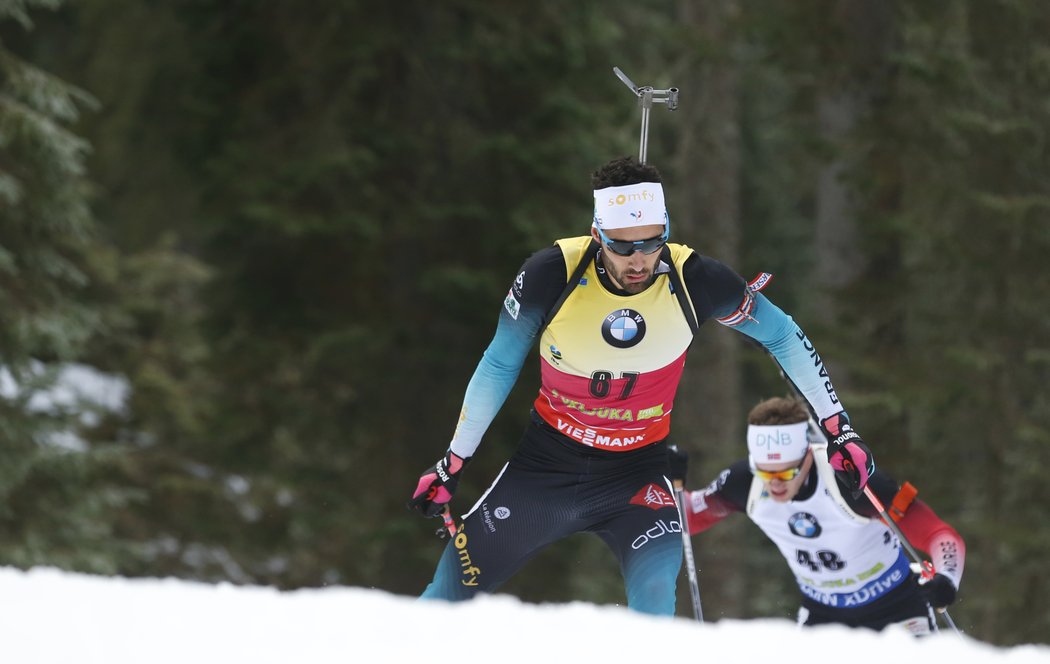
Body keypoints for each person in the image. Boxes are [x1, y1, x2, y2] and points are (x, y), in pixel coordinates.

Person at [408, 155, 875, 616]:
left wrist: (840, 429)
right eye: (622, 246)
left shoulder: (695, 279)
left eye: (653, 243)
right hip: (544, 470)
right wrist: (453, 462)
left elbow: (785, 336)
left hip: (637, 478)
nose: (639, 261)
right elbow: (498, 365)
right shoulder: (552, 273)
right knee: (442, 599)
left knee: (655, 611)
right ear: (597, 236)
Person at [669, 396, 965, 633]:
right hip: (823, 613)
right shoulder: (743, 482)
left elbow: (938, 534)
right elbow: (688, 518)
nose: (774, 482)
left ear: (808, 455)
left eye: (786, 471)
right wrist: (666, 483)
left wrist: (946, 579)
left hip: (896, 605)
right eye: (764, 470)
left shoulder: (851, 481)